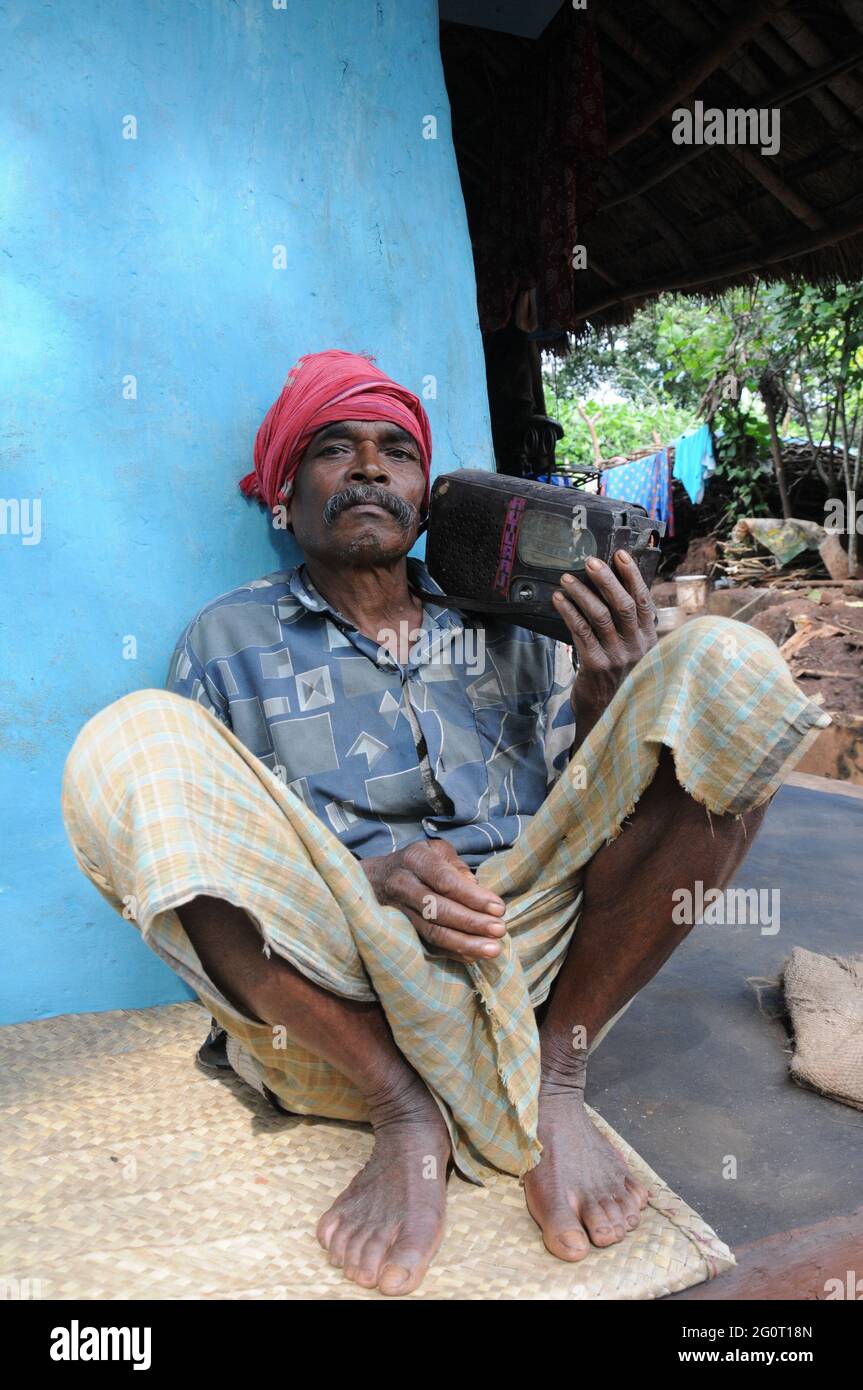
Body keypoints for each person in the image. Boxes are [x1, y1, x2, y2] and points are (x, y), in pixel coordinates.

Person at [61, 349, 830, 1296]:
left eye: (396, 451)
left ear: (425, 498)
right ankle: (401, 1106)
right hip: (346, 977)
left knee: (728, 664)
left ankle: (554, 1078)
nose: (370, 468)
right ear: (282, 495)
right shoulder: (229, 640)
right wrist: (372, 881)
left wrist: (603, 696)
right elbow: (239, 854)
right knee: (130, 738)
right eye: (333, 448)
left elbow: (589, 834)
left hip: (531, 957)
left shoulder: (519, 625)